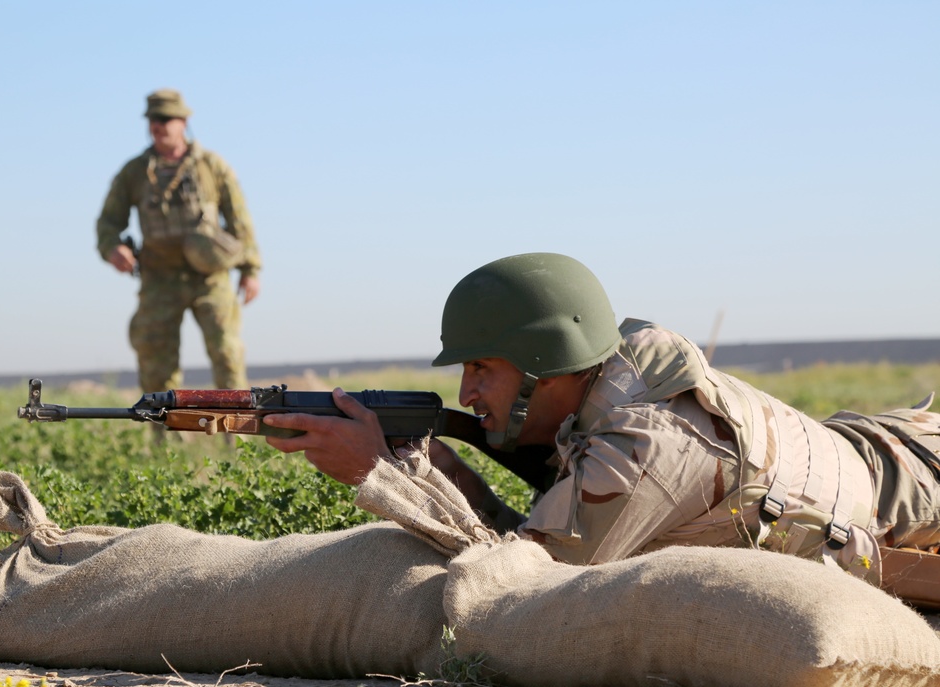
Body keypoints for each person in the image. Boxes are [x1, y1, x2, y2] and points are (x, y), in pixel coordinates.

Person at [261, 252, 940, 588]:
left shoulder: (645, 447)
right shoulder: (611, 380)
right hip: (876, 444)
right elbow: (533, 528)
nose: (467, 391)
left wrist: (375, 472)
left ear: (543, 365)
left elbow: (521, 580)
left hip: (914, 487)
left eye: (482, 369)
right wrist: (442, 467)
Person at [96, 89, 262, 394]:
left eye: (164, 119)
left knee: (227, 355)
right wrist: (112, 248)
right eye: (152, 120)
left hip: (209, 277)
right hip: (159, 277)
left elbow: (240, 220)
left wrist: (250, 269)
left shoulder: (212, 167)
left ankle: (236, 438)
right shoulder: (134, 172)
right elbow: (108, 222)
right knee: (155, 360)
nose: (157, 126)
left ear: (183, 121)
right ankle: (163, 438)